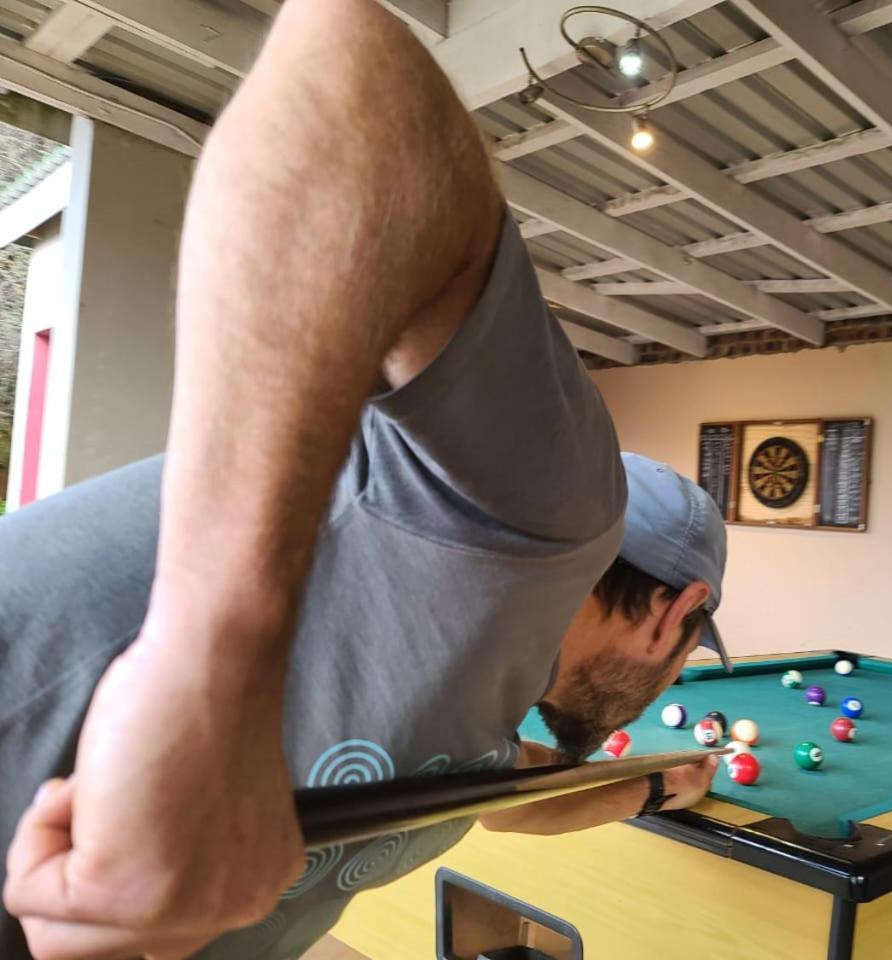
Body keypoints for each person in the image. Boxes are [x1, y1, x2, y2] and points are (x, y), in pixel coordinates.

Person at [0, 1, 729, 957]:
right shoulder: (556, 519)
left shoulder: (497, 678)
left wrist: (654, 786)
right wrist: (211, 677)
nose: (671, 677)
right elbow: (348, 70)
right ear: (676, 615)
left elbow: (501, 795)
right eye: (687, 655)